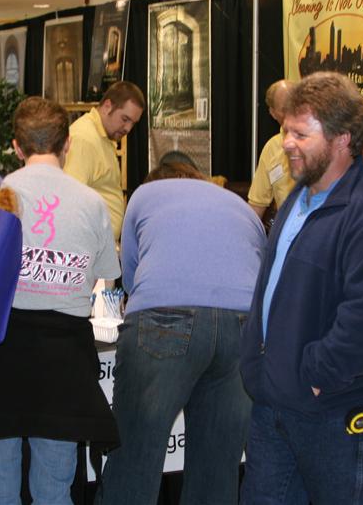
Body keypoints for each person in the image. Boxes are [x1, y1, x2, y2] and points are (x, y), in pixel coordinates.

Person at [239, 71, 363, 504]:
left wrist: (318, 375)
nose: (287, 143)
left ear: (342, 139)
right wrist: (256, 363)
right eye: (286, 131)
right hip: (274, 402)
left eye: (301, 133)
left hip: (335, 409)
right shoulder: (296, 201)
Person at [0, 97, 120, 504]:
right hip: (62, 361)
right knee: (54, 488)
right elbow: (104, 274)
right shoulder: (92, 204)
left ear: (16, 147)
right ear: (67, 143)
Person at [97, 158, 265, 505]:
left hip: (164, 316)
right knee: (217, 470)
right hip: (243, 324)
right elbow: (261, 268)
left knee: (135, 458)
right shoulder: (237, 204)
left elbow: (130, 274)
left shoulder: (144, 196)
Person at [64, 80, 145, 240]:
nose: (128, 128)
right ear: (107, 106)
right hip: (89, 245)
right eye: (125, 119)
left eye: (133, 123)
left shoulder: (102, 135)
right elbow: (70, 200)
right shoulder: (84, 139)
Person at [247, 80, 297, 220]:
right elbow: (256, 206)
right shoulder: (272, 148)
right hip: (288, 229)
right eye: (285, 109)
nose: (292, 113)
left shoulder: (321, 141)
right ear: (273, 113)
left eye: (295, 105)